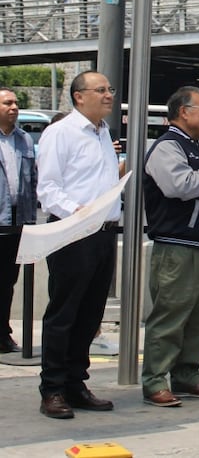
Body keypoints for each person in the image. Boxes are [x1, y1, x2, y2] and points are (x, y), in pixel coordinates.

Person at [36, 71, 122, 419]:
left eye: (109, 90)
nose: (108, 95)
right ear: (78, 96)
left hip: (103, 232)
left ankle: (76, 382)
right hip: (73, 232)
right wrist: (78, 212)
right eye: (100, 90)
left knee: (89, 314)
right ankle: (53, 389)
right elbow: (49, 189)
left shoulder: (103, 133)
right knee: (65, 312)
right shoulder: (61, 132)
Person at [141, 86, 199, 407]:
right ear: (183, 112)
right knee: (170, 316)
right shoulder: (168, 147)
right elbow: (177, 185)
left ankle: (186, 375)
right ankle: (154, 381)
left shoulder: (191, 147)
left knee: (196, 318)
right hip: (178, 248)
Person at [0, 88, 36, 354]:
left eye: (16, 103)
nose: (14, 107)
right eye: (7, 103)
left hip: (16, 222)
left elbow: (32, 181)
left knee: (8, 281)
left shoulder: (24, 140)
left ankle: (3, 334)